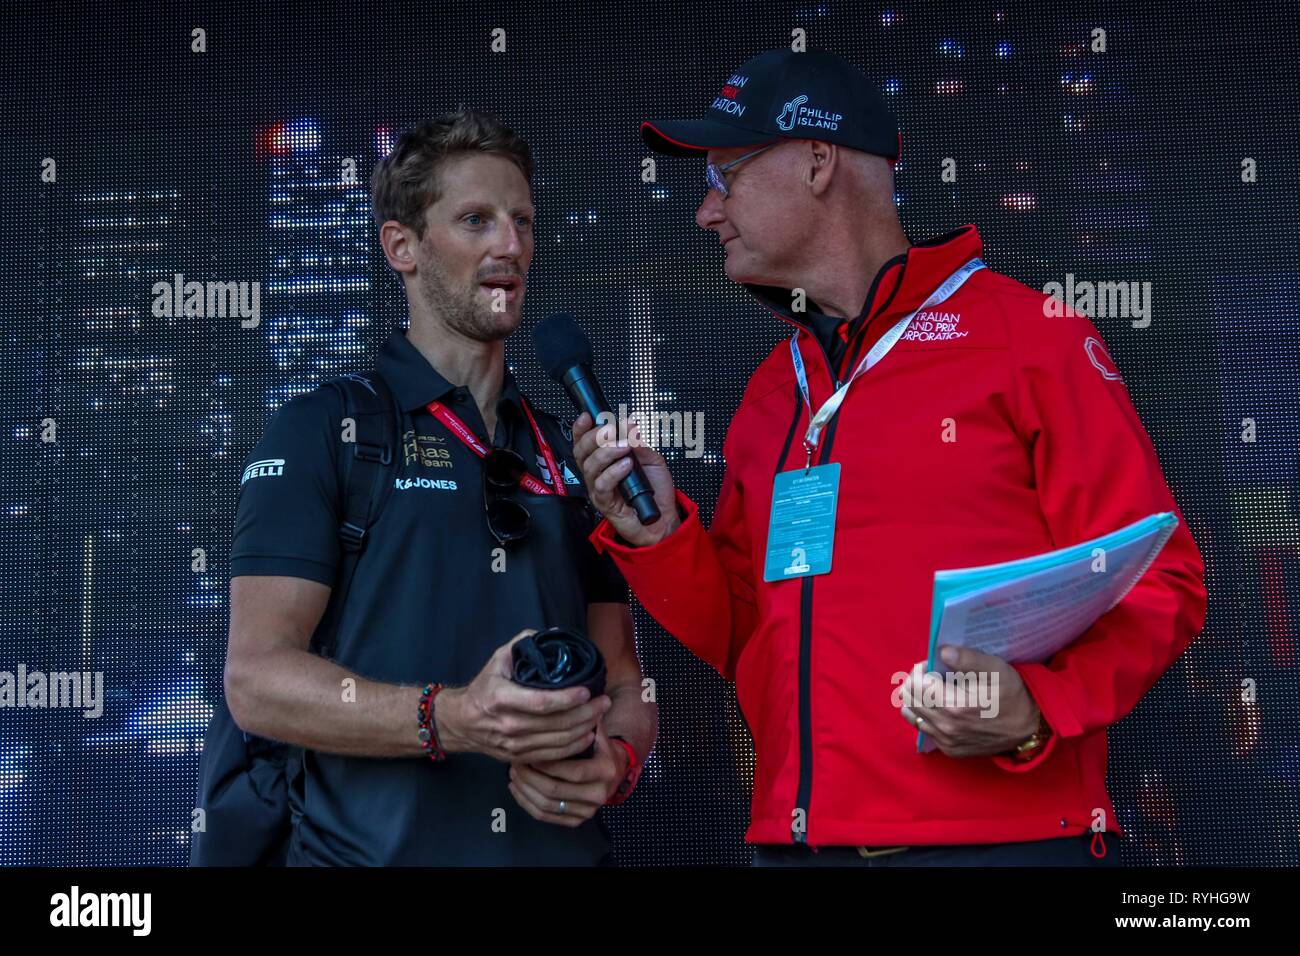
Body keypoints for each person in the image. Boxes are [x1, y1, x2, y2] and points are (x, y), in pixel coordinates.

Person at [572, 50, 1206, 866]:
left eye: (725, 175)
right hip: (797, 848)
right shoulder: (774, 390)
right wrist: (657, 538)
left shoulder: (1032, 337)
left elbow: (1164, 581)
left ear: (817, 160)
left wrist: (1043, 706)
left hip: (992, 846)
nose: (706, 211)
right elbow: (745, 637)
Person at [225, 110, 656, 866]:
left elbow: (625, 682)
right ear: (403, 246)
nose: (510, 246)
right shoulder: (325, 430)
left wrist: (615, 760)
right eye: (476, 220)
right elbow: (257, 682)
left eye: (521, 221)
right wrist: (451, 719)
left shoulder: (570, 452)